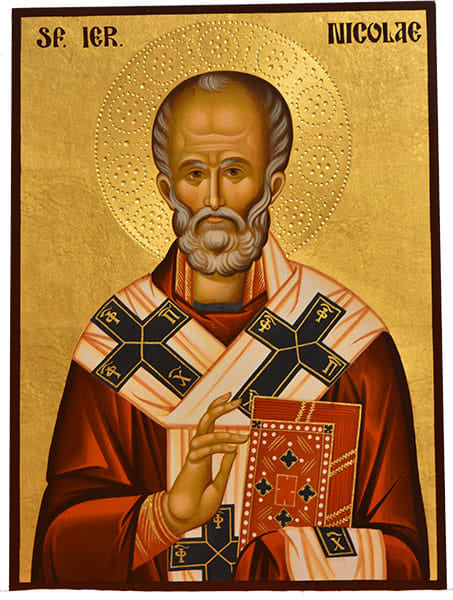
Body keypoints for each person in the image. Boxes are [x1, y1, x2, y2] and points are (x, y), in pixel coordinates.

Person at [32, 71, 428, 585]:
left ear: (272, 184)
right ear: (167, 188)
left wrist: (285, 559)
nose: (214, 199)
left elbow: (407, 559)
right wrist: (163, 517)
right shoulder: (119, 343)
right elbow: (57, 544)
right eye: (194, 173)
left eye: (235, 171)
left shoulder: (350, 342)